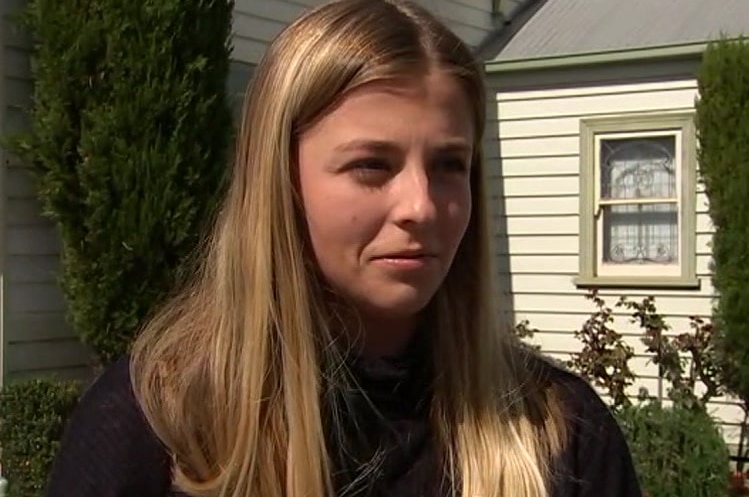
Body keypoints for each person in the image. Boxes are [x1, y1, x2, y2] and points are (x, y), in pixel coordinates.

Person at [43, 1, 643, 496]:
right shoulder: (161, 426)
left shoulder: (558, 434)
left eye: (448, 165)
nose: (422, 206)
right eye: (371, 165)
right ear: (282, 184)